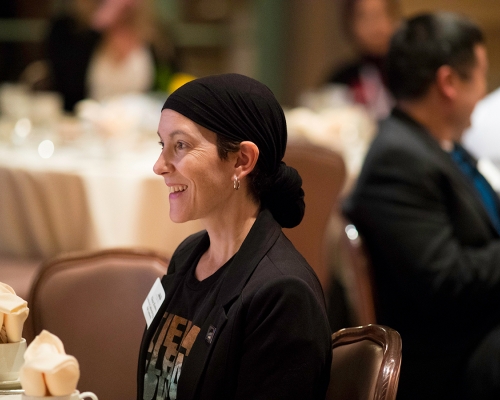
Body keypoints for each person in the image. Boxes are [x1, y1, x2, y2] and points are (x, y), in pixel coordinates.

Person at [137, 73, 332, 400]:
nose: (159, 165)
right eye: (163, 145)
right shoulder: (188, 257)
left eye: (180, 145)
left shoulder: (282, 296)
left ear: (241, 161)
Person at [343, 12, 500, 400]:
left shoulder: (436, 145)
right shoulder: (398, 160)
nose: (484, 91)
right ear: (448, 83)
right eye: (481, 75)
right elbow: (446, 282)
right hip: (451, 359)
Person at [46, 0, 178, 111]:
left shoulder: (158, 35)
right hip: (84, 130)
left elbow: (168, 89)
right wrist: (99, 24)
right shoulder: (68, 30)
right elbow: (66, 85)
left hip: (141, 132)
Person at [325, 0, 400, 119]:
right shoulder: (341, 78)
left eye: (379, 15)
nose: (374, 26)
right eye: (364, 17)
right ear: (350, 25)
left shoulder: (407, 72)